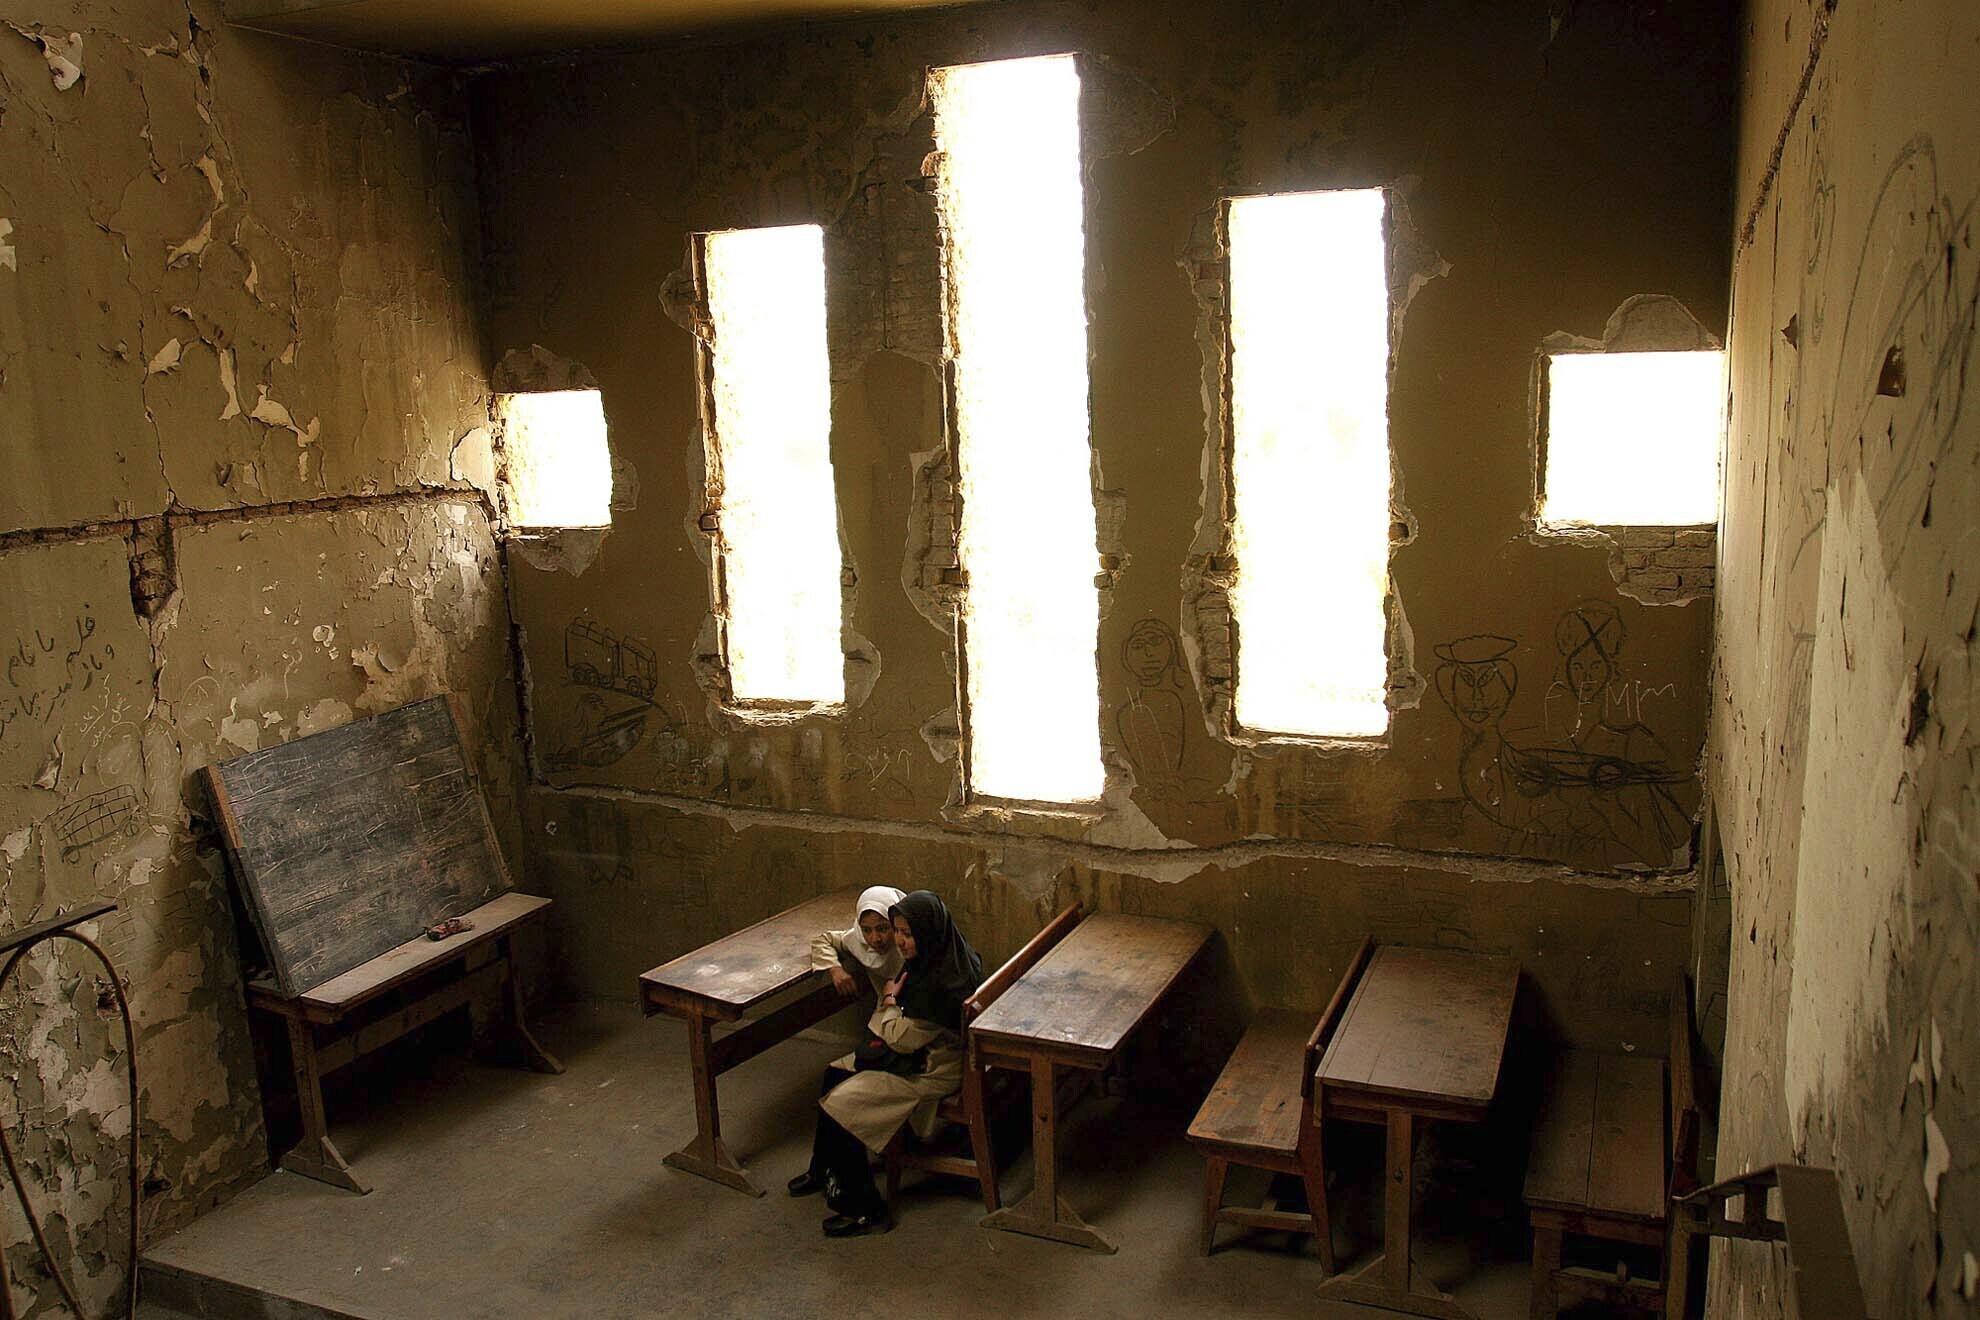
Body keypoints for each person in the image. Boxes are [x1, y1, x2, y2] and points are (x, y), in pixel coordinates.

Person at [794, 890, 984, 1237]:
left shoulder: (936, 988)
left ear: (927, 932)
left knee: (841, 1105)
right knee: (834, 1072)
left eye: (906, 934)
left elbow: (899, 1037)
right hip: (929, 1055)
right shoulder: (947, 956)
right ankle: (823, 1169)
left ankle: (864, 1209)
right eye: (897, 932)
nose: (899, 941)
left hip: (931, 1069)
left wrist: (890, 999)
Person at [808, 885, 906, 998]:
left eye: (883, 928)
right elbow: (824, 940)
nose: (875, 939)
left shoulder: (912, 942)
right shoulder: (857, 939)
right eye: (866, 930)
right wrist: (835, 969)